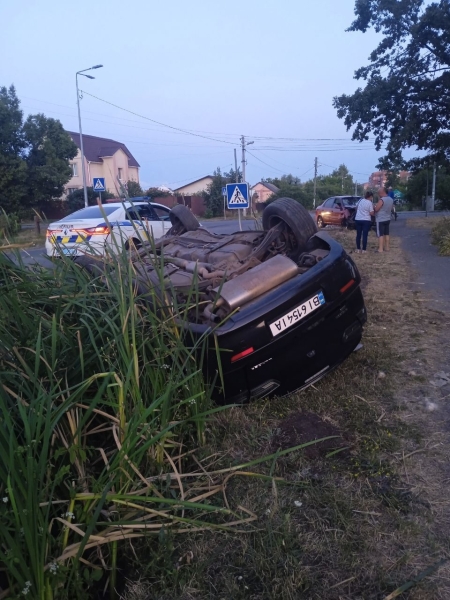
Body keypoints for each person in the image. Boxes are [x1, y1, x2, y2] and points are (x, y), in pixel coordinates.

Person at [374, 187, 394, 252]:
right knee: (387, 233)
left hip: (380, 219)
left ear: (382, 192)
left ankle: (380, 249)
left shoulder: (381, 200)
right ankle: (387, 247)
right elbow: (391, 209)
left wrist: (374, 207)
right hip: (388, 218)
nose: (378, 194)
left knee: (380, 234)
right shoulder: (391, 199)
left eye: (379, 193)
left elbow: (376, 209)